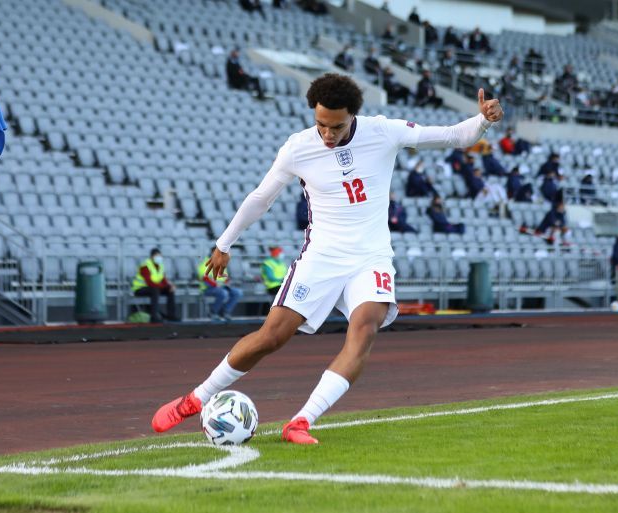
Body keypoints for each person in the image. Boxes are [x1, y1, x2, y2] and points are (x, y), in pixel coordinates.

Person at [150, 73, 503, 444]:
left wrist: (482, 120)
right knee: (272, 336)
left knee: (365, 328)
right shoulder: (298, 148)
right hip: (321, 256)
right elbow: (260, 198)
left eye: (336, 126)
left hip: (371, 257)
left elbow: (454, 136)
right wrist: (225, 244)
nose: (327, 134)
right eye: (320, 124)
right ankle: (196, 399)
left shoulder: (384, 132)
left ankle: (300, 422)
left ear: (353, 116)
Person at [131, 248, 177, 323]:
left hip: (154, 287)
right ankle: (154, 316)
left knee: (170, 291)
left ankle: (171, 315)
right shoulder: (145, 266)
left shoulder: (161, 266)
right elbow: (149, 282)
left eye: (160, 256)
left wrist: (170, 287)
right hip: (139, 289)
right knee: (155, 290)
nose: (159, 258)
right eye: (157, 256)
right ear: (151, 257)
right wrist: (162, 286)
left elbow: (164, 280)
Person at [197, 255, 243, 321]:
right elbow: (205, 278)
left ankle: (225, 311)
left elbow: (225, 278)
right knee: (223, 292)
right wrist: (216, 285)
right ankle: (213, 312)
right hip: (208, 289)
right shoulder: (205, 264)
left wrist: (227, 283)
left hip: (221, 287)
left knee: (238, 292)